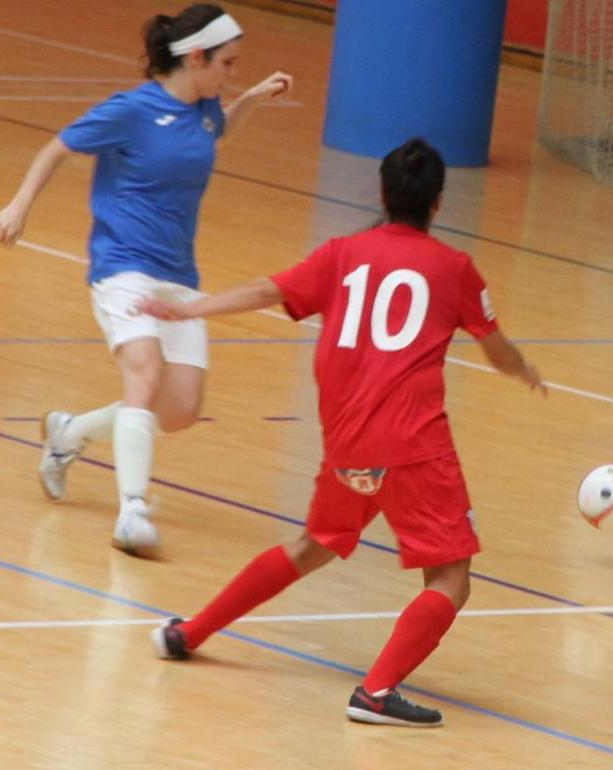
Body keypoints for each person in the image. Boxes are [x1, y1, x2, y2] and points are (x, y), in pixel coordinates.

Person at [140, 139, 544, 727]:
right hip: (413, 448)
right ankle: (376, 693)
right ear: (437, 204)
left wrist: (192, 310)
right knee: (452, 578)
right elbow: (497, 350)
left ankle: (185, 633)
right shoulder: (454, 269)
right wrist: (525, 370)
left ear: (382, 195)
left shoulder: (342, 254)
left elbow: (265, 291)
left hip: (348, 445)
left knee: (313, 545)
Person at [0, 4, 292, 555]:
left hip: (180, 276)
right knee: (144, 375)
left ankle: (69, 434)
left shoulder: (205, 108)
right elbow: (58, 147)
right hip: (122, 266)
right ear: (195, 58)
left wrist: (250, 100)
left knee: (177, 411)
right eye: (228, 64)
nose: (232, 73)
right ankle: (132, 512)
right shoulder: (130, 111)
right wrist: (19, 205)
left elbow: (216, 135)